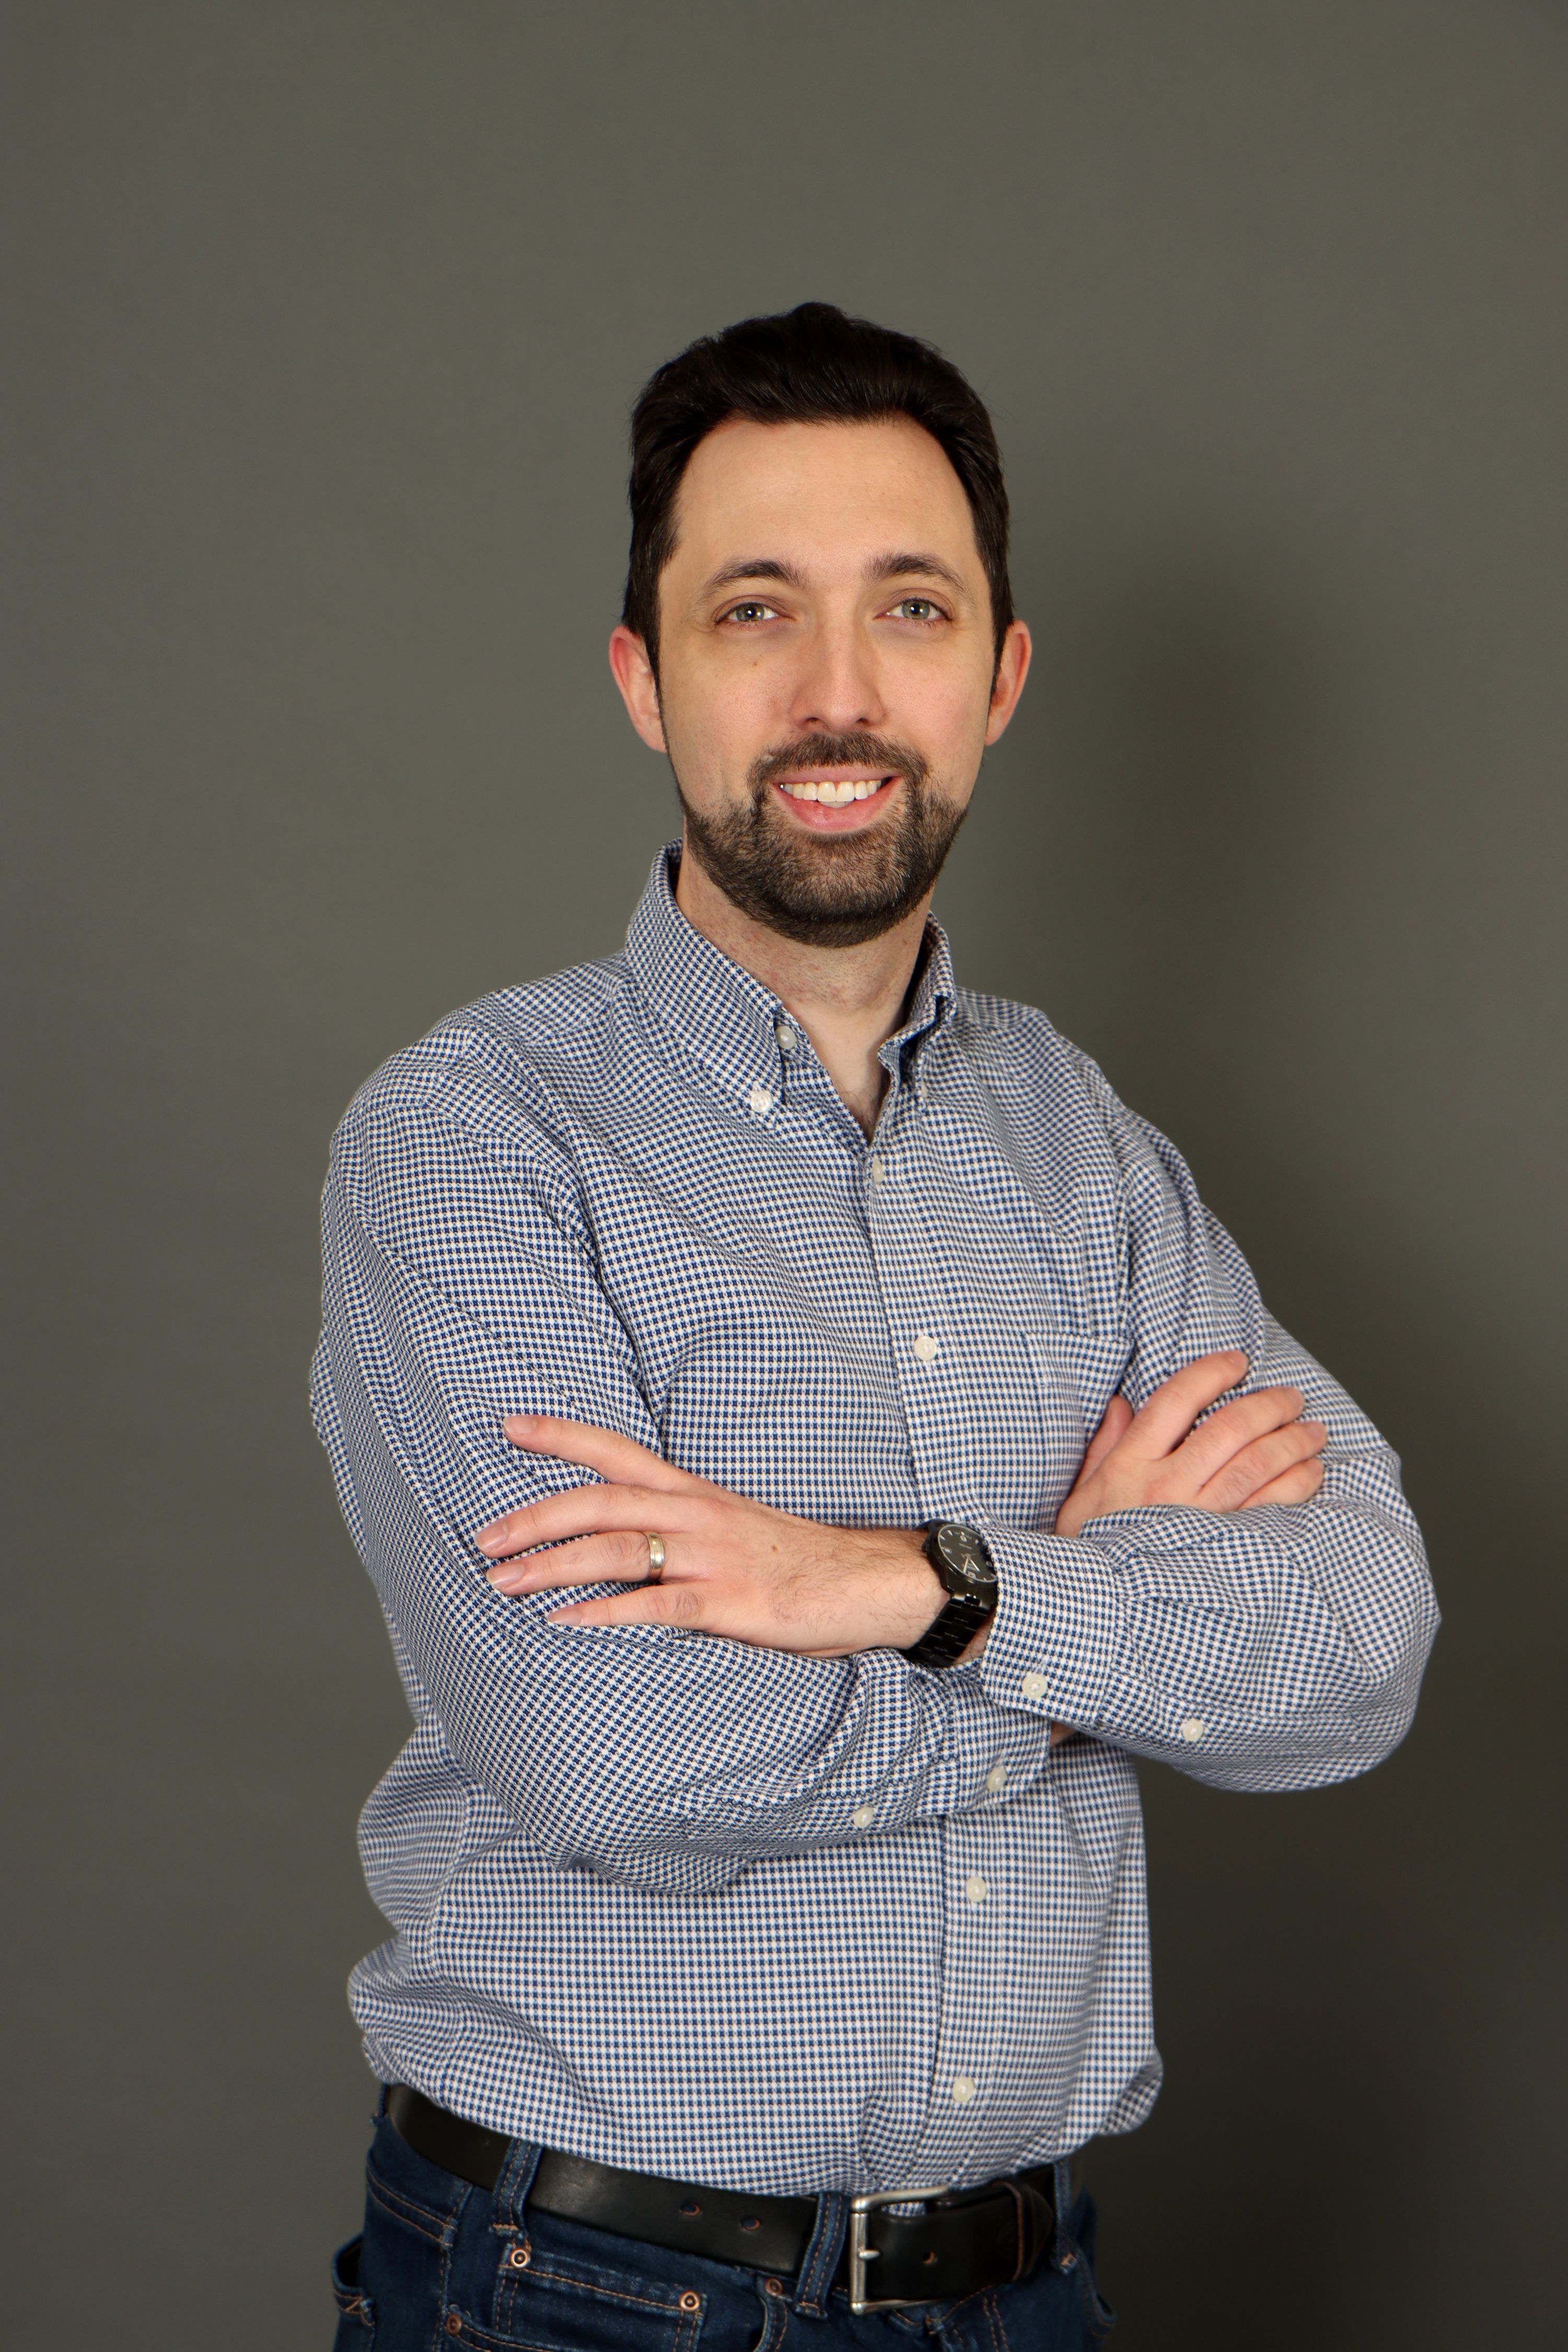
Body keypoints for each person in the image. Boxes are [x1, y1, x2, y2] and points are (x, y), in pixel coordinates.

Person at [314, 302, 1437, 2350]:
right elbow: (618, 1765)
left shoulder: (1082, 1148)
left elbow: (1356, 1646)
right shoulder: (472, 1145)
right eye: (757, 611)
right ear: (645, 678)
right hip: (586, 2292)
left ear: (1000, 679)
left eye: (908, 610)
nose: (841, 694)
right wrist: (1079, 1624)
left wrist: (906, 1585)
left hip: (1023, 2290)